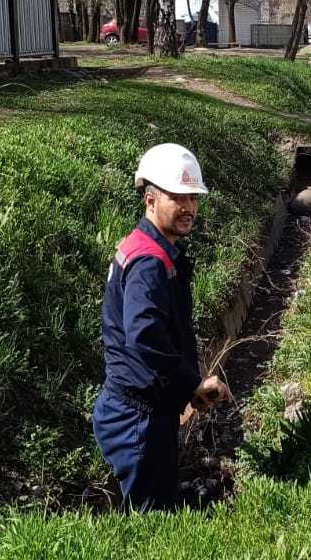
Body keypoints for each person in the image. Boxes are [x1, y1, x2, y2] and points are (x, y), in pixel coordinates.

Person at [93, 143, 232, 511]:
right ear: (150, 200)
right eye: (177, 197)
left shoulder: (147, 247)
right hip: (138, 419)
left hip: (140, 411)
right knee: (152, 523)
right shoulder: (150, 263)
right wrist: (191, 383)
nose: (188, 207)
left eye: (193, 198)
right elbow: (144, 336)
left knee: (150, 514)